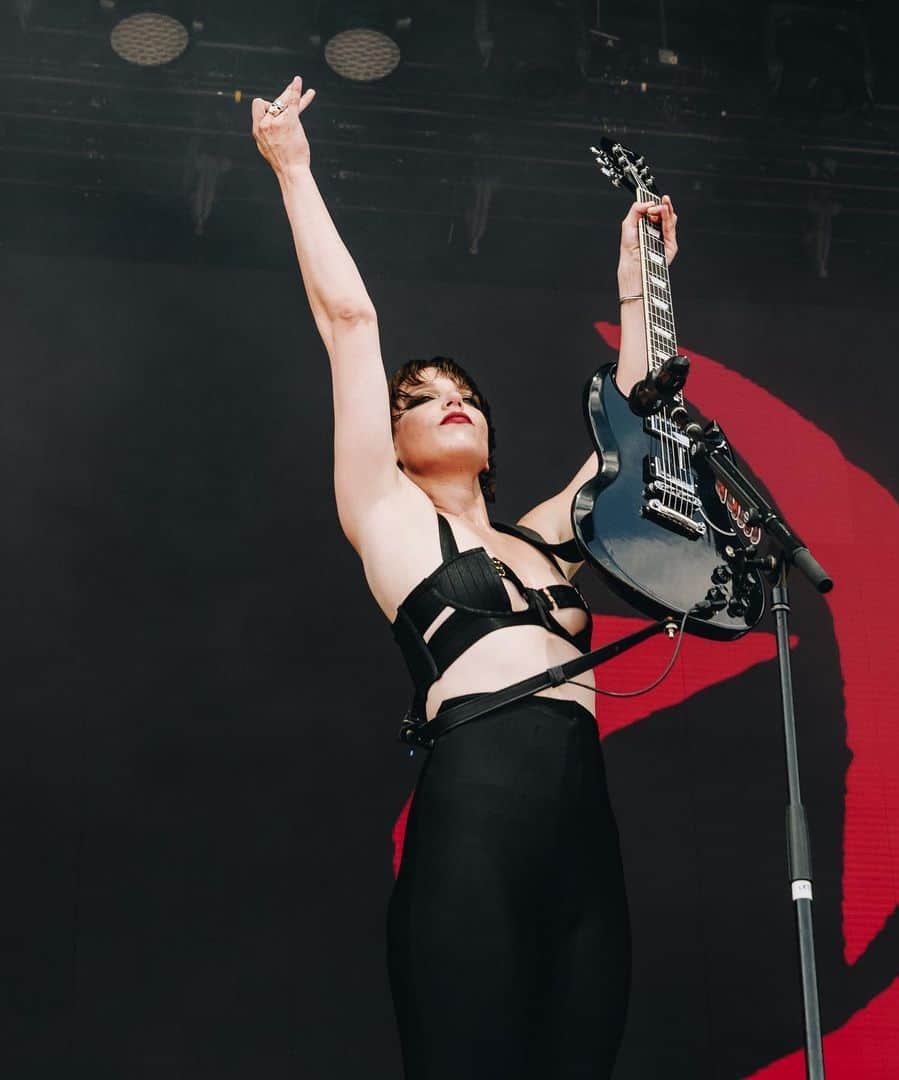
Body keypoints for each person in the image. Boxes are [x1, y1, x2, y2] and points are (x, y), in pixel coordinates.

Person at [252, 76, 678, 1079]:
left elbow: (638, 417)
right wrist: (293, 170)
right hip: (473, 829)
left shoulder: (543, 538)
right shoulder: (385, 513)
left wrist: (641, 280)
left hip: (586, 838)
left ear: (489, 437)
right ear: (391, 439)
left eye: (467, 395)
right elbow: (352, 325)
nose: (452, 402)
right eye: (424, 397)